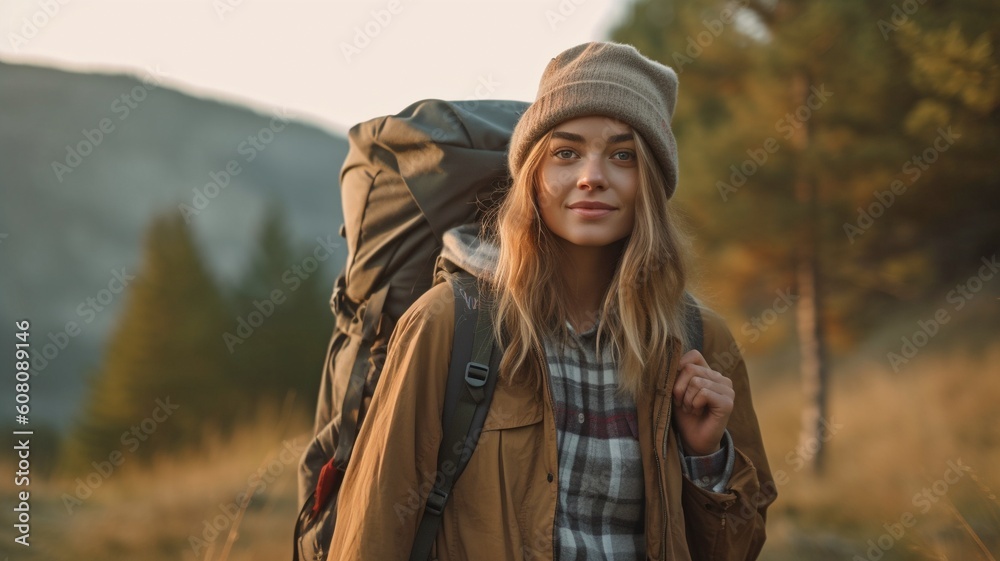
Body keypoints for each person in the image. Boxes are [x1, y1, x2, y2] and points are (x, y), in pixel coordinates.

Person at [328, 41, 774, 561]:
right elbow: (371, 535)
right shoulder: (450, 325)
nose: (592, 175)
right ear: (533, 176)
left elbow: (738, 547)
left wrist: (705, 458)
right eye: (566, 152)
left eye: (622, 155)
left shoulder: (697, 342)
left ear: (651, 182)